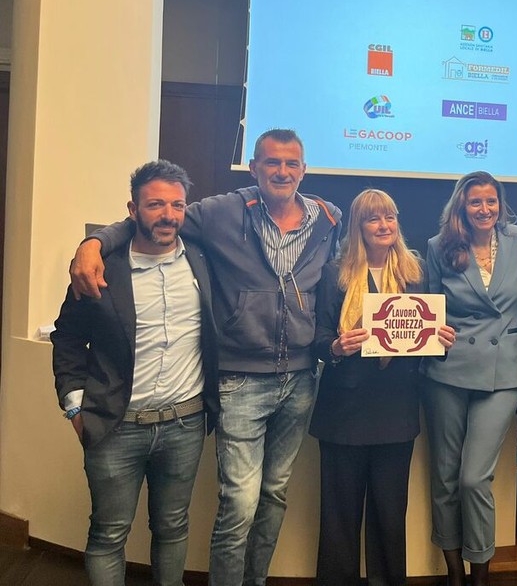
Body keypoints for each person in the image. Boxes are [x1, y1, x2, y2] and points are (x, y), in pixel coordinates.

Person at [70, 129, 344, 586]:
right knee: (240, 502)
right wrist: (93, 243)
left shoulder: (328, 219)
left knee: (274, 495)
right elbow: (153, 217)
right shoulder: (220, 212)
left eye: (291, 163)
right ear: (253, 168)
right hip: (240, 380)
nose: (281, 171)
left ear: (303, 169)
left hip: (300, 379)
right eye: (271, 162)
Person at [52, 160, 219, 586]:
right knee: (108, 535)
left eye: (177, 205)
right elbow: (67, 338)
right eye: (155, 204)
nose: (168, 215)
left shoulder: (202, 258)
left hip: (184, 424)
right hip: (114, 426)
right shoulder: (100, 268)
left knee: (173, 527)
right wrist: (75, 408)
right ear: (132, 210)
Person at [309, 189, 455, 585]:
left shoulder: (415, 272)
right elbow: (318, 337)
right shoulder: (334, 273)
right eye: (373, 218)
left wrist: (440, 340)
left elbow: (426, 339)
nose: (383, 225)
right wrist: (336, 346)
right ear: (358, 227)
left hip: (395, 411)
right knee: (338, 518)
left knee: (390, 517)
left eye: (389, 217)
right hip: (343, 412)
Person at [423, 171, 517, 586]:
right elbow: (430, 304)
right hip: (449, 369)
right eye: (475, 202)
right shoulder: (440, 245)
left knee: (473, 479)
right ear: (461, 206)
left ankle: (480, 575)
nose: (484, 209)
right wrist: (435, 330)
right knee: (446, 478)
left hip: (503, 370)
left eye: (491, 201)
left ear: (500, 203)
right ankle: (455, 574)